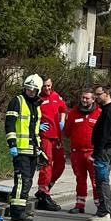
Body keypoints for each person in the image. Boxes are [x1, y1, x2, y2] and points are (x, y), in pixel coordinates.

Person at [4, 74, 43, 221]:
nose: (30, 92)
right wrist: (12, 144)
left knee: (28, 181)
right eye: (28, 89)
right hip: (20, 150)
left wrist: (39, 149)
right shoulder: (17, 102)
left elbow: (34, 130)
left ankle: (21, 207)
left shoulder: (36, 105)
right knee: (22, 180)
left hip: (32, 150)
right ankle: (17, 211)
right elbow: (10, 124)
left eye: (33, 90)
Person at [64, 88, 101, 214]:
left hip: (93, 153)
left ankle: (100, 206)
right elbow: (67, 132)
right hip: (77, 152)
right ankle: (80, 204)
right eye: (83, 97)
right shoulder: (74, 112)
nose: (84, 100)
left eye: (87, 98)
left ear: (93, 99)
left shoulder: (99, 113)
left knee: (96, 181)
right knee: (80, 179)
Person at [34, 77, 69, 212]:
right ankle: (43, 191)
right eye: (44, 87)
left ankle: (46, 187)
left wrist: (62, 121)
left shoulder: (56, 96)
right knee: (46, 164)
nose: (47, 89)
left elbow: (63, 108)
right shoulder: (38, 99)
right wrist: (38, 126)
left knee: (60, 164)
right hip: (45, 137)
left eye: (49, 86)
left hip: (57, 136)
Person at [89, 84, 111, 221]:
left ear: (107, 93)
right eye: (95, 95)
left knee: (101, 181)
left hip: (104, 149)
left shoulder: (109, 111)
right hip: (107, 148)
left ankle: (104, 212)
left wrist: (96, 153)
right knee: (104, 180)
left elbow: (104, 134)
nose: (96, 97)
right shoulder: (109, 109)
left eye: (98, 94)